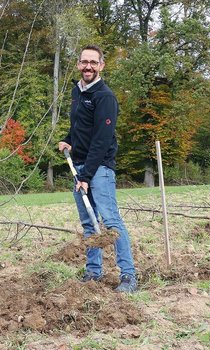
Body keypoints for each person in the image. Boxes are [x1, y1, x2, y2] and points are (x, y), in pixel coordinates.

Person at [58, 45, 137, 293]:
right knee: (89, 225)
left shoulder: (105, 97)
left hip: (98, 169)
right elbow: (80, 126)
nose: (88, 66)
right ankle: (94, 273)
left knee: (111, 221)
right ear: (78, 64)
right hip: (80, 166)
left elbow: (102, 140)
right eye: (84, 62)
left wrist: (86, 176)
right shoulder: (77, 92)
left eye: (93, 62)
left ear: (101, 65)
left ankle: (128, 275)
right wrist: (68, 138)